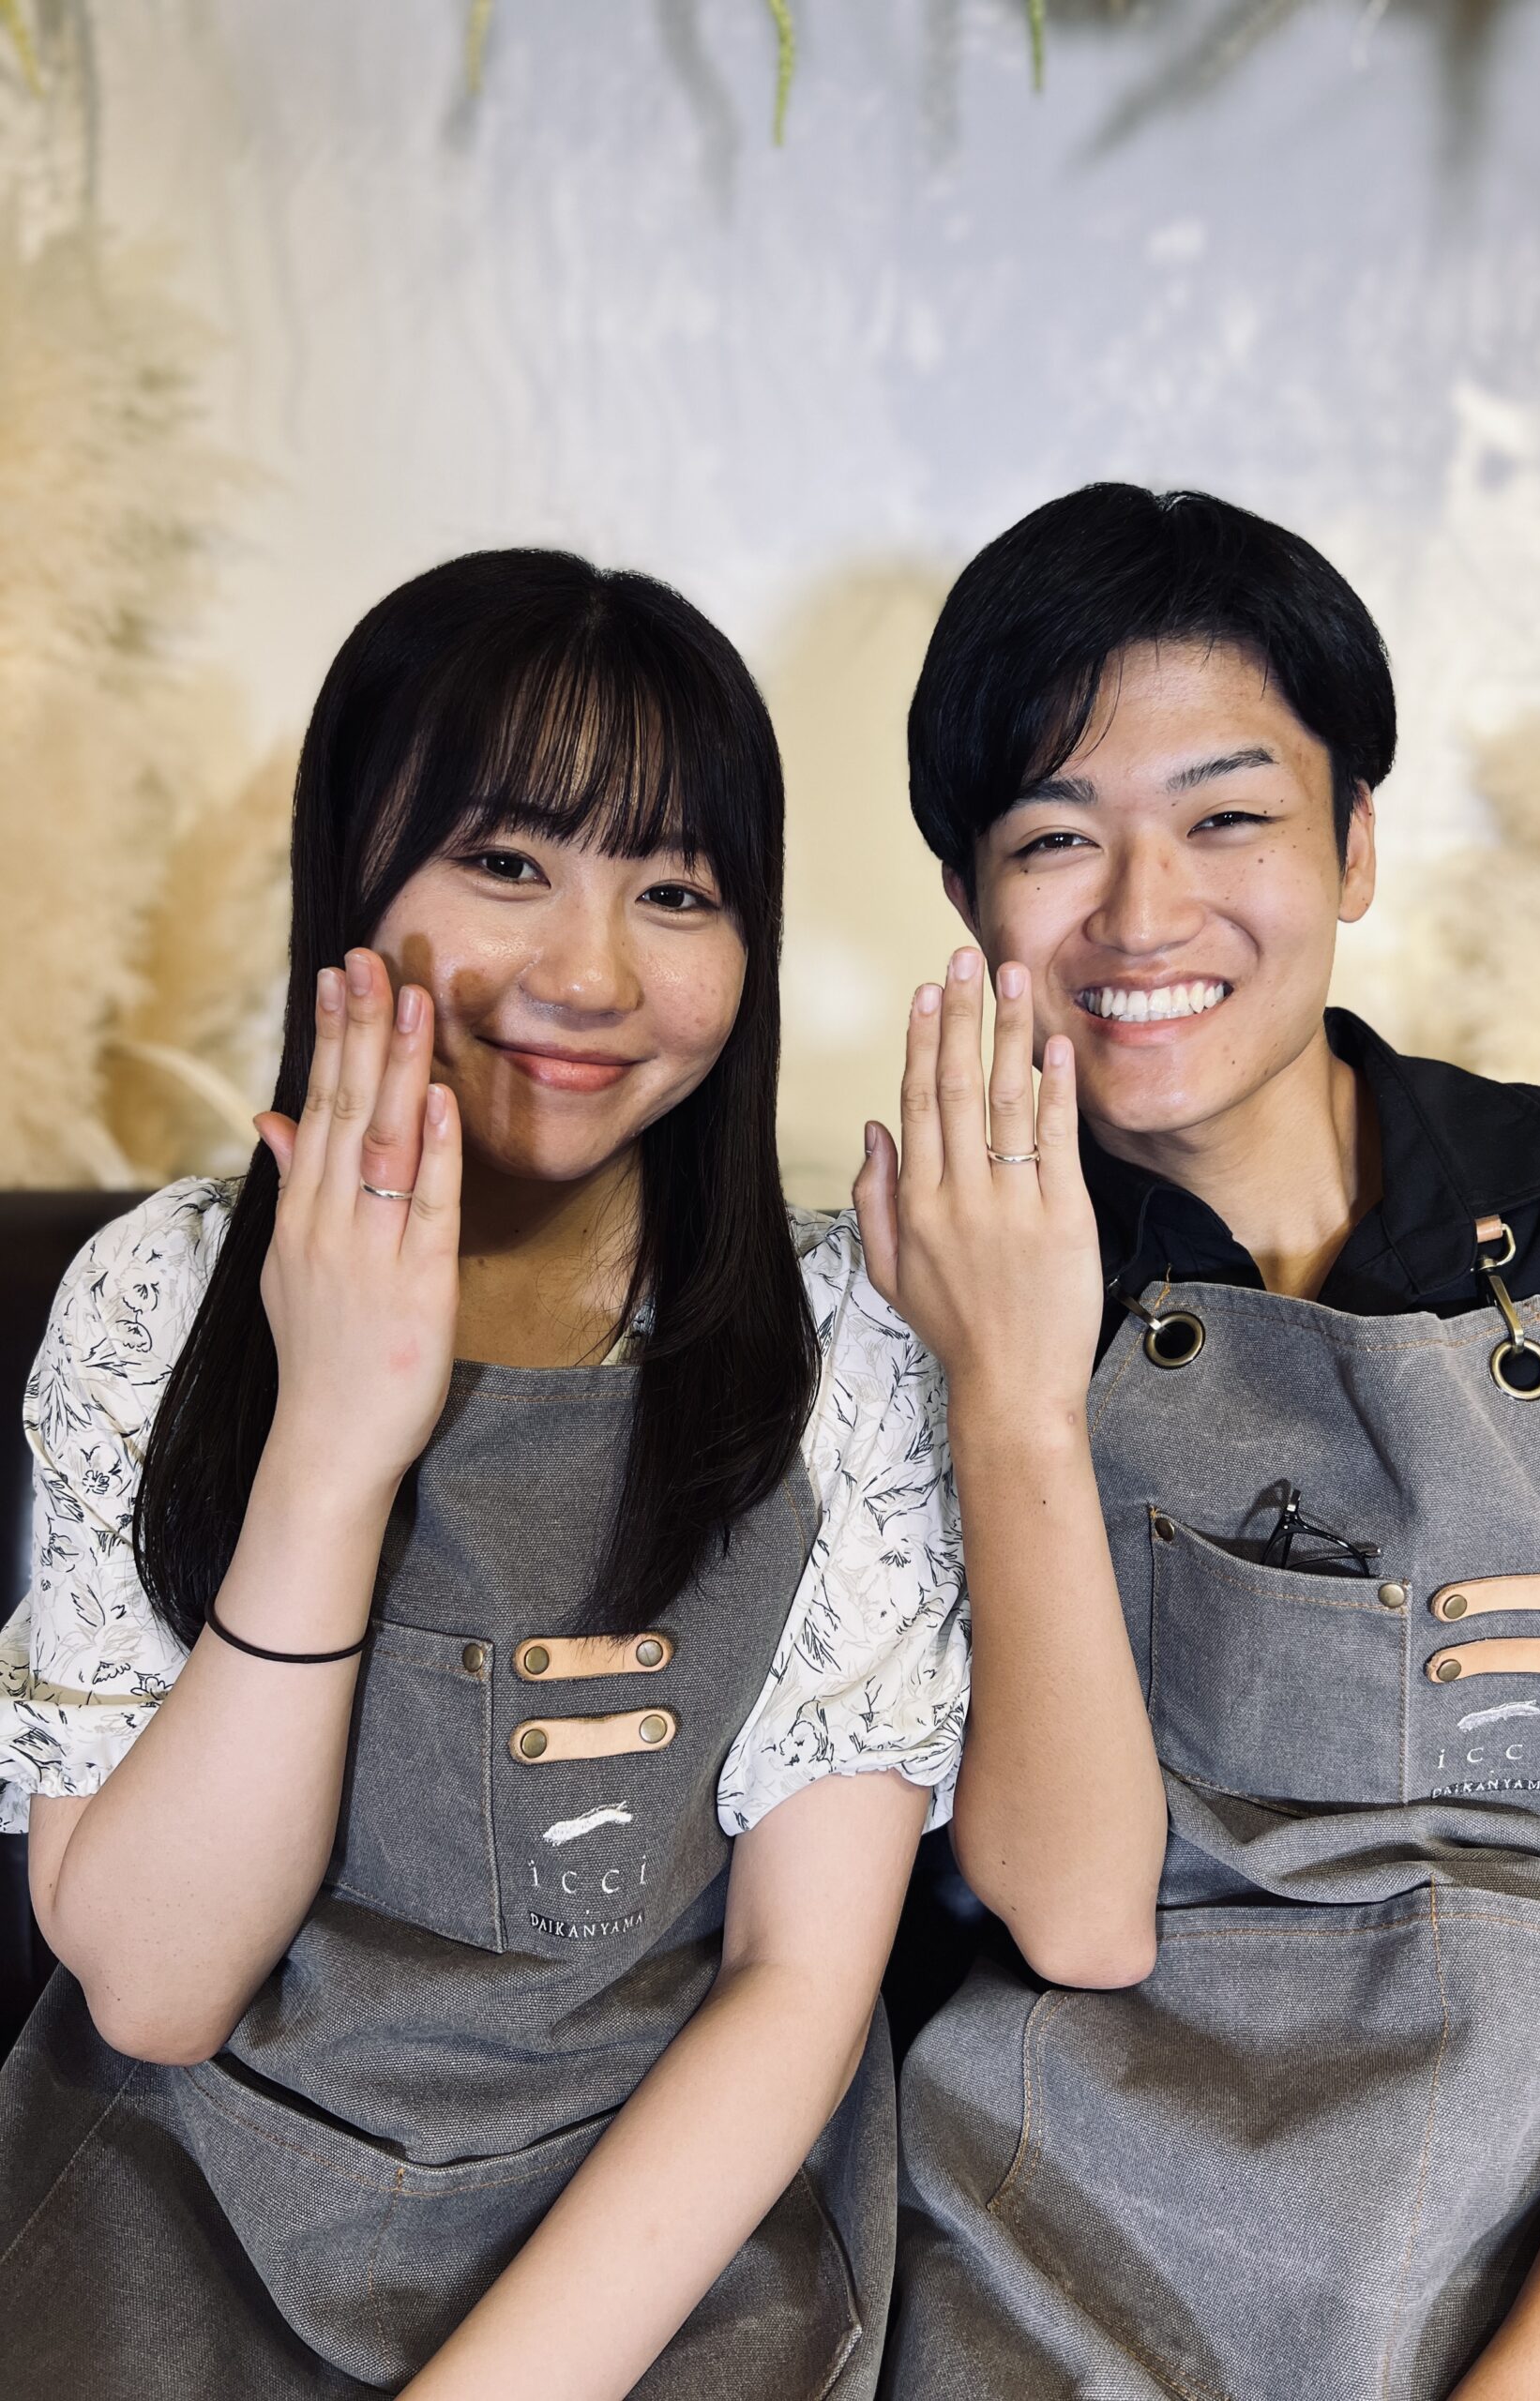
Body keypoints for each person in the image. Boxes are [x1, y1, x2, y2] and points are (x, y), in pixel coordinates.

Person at [857, 485, 1540, 2400]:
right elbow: (1054, 1907)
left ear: (1356, 842)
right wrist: (1009, 1391)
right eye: (1056, 836)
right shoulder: (895, 1295)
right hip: (1069, 2260)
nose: (1143, 914)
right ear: (969, 897)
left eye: (1228, 817)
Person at [0, 551, 965, 2399]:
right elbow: (155, 1987)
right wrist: (330, 1444)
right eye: (507, 863)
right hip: (186, 2218)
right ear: (350, 873)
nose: (589, 974)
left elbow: (795, 1983)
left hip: (654, 2256)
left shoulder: (847, 1340)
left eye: (675, 892)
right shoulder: (159, 1293)